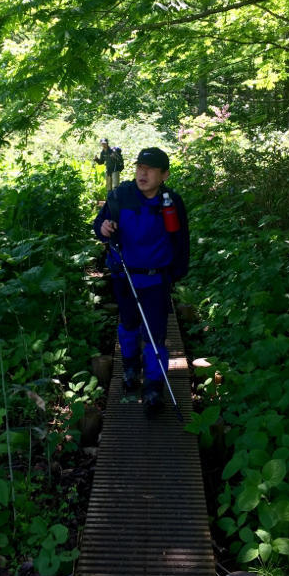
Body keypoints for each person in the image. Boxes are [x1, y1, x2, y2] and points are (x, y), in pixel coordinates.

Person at [93, 147, 189, 416]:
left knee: (156, 333)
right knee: (129, 324)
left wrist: (177, 273)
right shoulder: (120, 196)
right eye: (139, 167)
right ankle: (131, 366)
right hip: (124, 275)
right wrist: (103, 229)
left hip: (157, 279)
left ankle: (154, 385)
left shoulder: (172, 201)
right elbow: (98, 226)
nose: (142, 173)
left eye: (150, 169)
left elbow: (182, 240)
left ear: (164, 174)